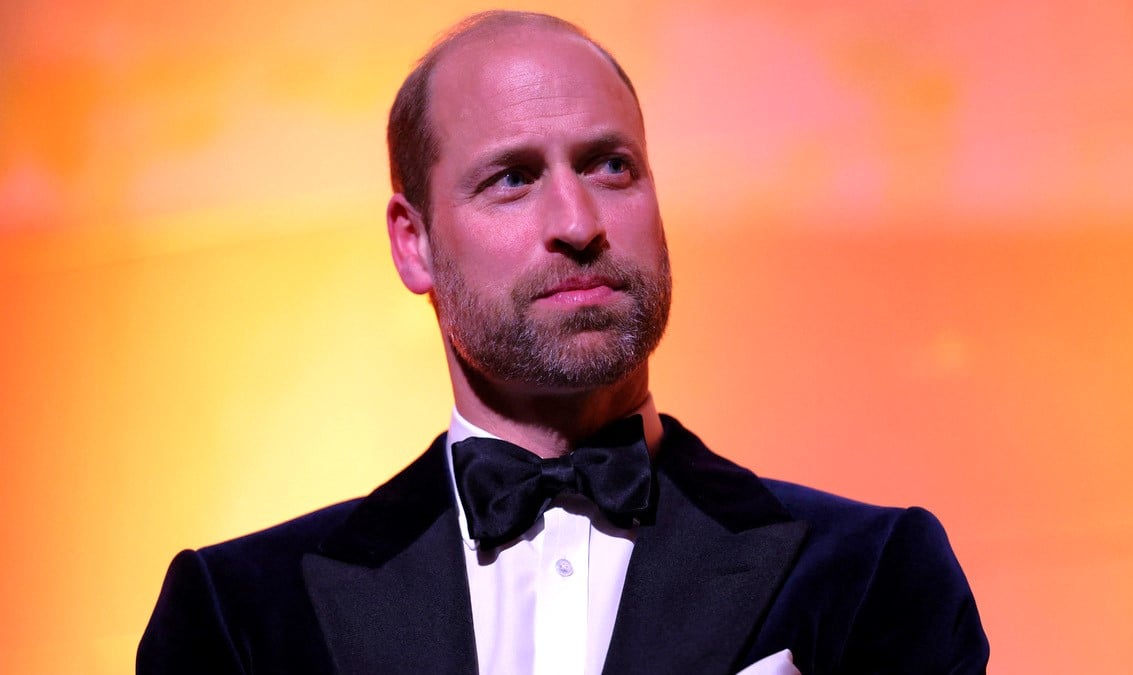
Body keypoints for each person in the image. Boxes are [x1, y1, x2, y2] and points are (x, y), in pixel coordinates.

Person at [137, 10, 988, 675]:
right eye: (513, 179)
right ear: (414, 242)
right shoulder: (241, 615)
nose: (580, 224)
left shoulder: (872, 576)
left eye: (610, 166)